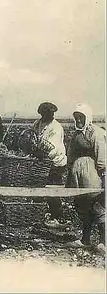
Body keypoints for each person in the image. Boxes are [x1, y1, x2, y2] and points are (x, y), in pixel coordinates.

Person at [64, 103, 105, 255]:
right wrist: (70, 171)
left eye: (81, 117)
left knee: (96, 205)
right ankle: (85, 239)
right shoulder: (76, 135)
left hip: (92, 173)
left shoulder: (96, 133)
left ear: (87, 117)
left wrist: (103, 176)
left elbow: (101, 157)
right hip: (77, 174)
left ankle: (103, 241)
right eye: (76, 117)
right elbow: (70, 154)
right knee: (82, 205)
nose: (78, 120)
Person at [31, 102, 68, 228]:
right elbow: (33, 137)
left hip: (55, 162)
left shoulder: (56, 127)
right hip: (41, 161)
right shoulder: (37, 123)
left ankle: (58, 216)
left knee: (53, 189)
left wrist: (41, 155)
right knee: (38, 186)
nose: (49, 115)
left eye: (51, 113)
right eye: (46, 113)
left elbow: (53, 149)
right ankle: (37, 214)